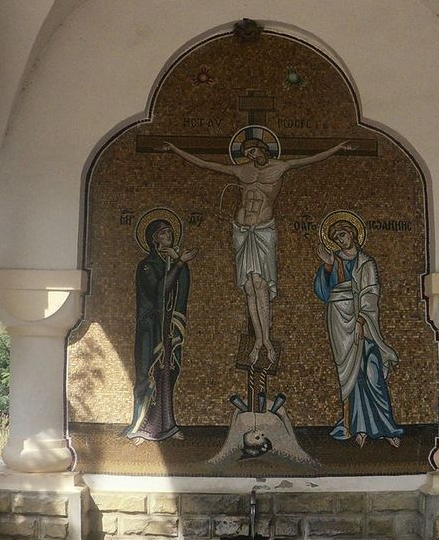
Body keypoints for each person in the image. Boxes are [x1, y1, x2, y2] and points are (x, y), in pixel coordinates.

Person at [165, 126, 348, 365]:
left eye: (253, 151)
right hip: (241, 230)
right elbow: (208, 164)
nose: (251, 156)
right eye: (247, 154)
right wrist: (176, 150)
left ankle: (266, 340)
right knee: (249, 287)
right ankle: (259, 340)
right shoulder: (242, 170)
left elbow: (311, 158)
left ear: (262, 148)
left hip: (263, 231)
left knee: (262, 285)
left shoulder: (280, 167)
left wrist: (338, 148)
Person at [313, 212, 402, 446]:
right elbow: (323, 292)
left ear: (352, 233)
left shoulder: (366, 263)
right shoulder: (334, 260)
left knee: (372, 371)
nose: (340, 240)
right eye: (336, 238)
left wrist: (362, 320)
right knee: (352, 375)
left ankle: (386, 426)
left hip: (362, 321)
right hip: (338, 319)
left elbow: (371, 293)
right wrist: (328, 266)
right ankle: (357, 426)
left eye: (342, 234)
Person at [126, 215, 193, 442]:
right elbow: (161, 290)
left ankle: (167, 425)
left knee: (168, 372)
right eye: (163, 233)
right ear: (154, 239)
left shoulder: (170, 263)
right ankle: (139, 426)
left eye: (170, 232)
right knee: (147, 373)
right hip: (151, 327)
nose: (169, 236)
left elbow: (181, 287)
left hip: (169, 327)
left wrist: (178, 263)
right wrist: (179, 263)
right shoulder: (146, 266)